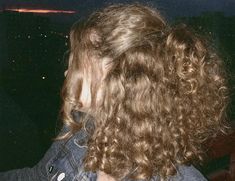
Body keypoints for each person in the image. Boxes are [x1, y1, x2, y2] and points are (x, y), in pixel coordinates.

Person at [0, 3, 230, 181]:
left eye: (75, 65)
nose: (67, 73)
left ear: (117, 81)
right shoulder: (79, 132)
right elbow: (38, 176)